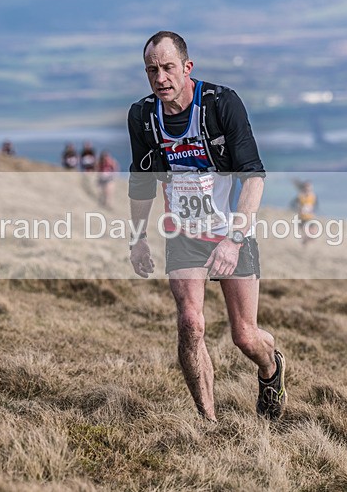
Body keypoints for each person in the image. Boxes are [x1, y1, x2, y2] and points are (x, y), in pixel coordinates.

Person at [127, 31, 286, 421]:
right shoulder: (144, 117)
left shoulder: (221, 104)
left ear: (186, 67)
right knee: (190, 322)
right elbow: (142, 182)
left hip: (231, 232)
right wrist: (137, 239)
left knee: (245, 337)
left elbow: (254, 177)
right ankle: (208, 422)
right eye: (152, 70)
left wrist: (233, 240)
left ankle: (271, 368)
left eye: (167, 67)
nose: (160, 77)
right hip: (183, 235)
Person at [291, 180, 319, 245]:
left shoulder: (313, 196)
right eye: (307, 188)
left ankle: (306, 245)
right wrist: (299, 208)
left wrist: (312, 209)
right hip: (302, 218)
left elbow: (316, 206)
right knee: (306, 234)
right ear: (304, 188)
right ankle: (304, 246)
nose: (308, 189)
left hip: (310, 218)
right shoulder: (300, 196)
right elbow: (293, 205)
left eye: (310, 188)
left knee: (313, 234)